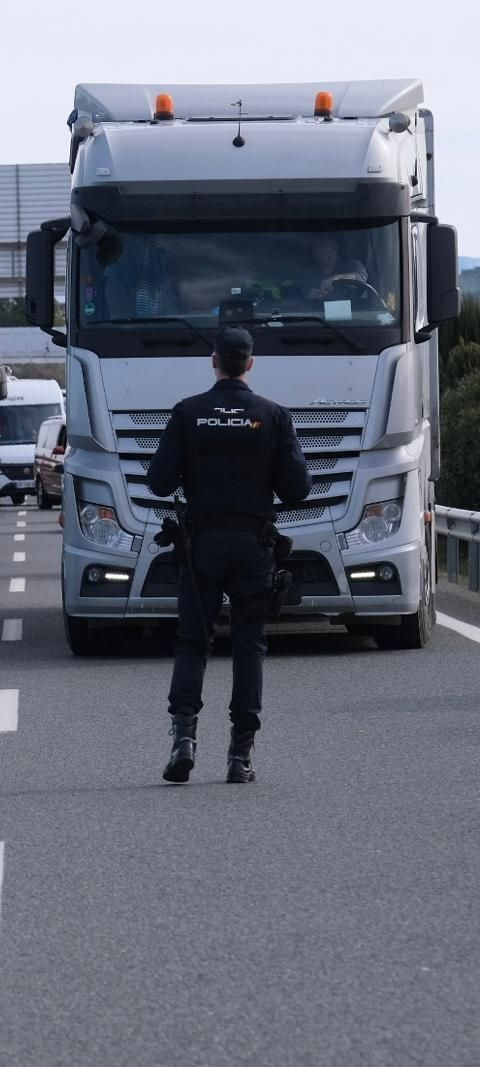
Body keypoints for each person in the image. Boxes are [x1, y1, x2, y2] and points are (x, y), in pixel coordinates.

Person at [146, 327, 310, 784]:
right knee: (249, 645)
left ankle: (183, 740)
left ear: (213, 361)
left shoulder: (188, 413)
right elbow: (297, 488)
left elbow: (158, 481)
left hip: (201, 547)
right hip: (253, 547)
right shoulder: (273, 415)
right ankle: (240, 757)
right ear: (250, 364)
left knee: (192, 642)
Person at [304, 234, 369, 301]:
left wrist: (337, 278)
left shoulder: (352, 265)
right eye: (315, 247)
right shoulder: (308, 276)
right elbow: (298, 305)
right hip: (317, 311)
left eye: (322, 245)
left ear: (334, 246)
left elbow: (361, 277)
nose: (318, 250)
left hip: (355, 310)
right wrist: (310, 299)